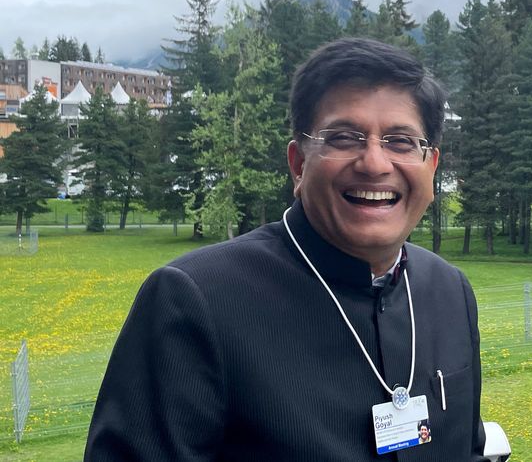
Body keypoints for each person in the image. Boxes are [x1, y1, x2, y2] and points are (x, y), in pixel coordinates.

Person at [85, 37, 487, 461]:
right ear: (298, 164)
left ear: (431, 166)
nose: (374, 163)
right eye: (345, 137)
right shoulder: (194, 301)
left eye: (401, 141)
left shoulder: (449, 291)